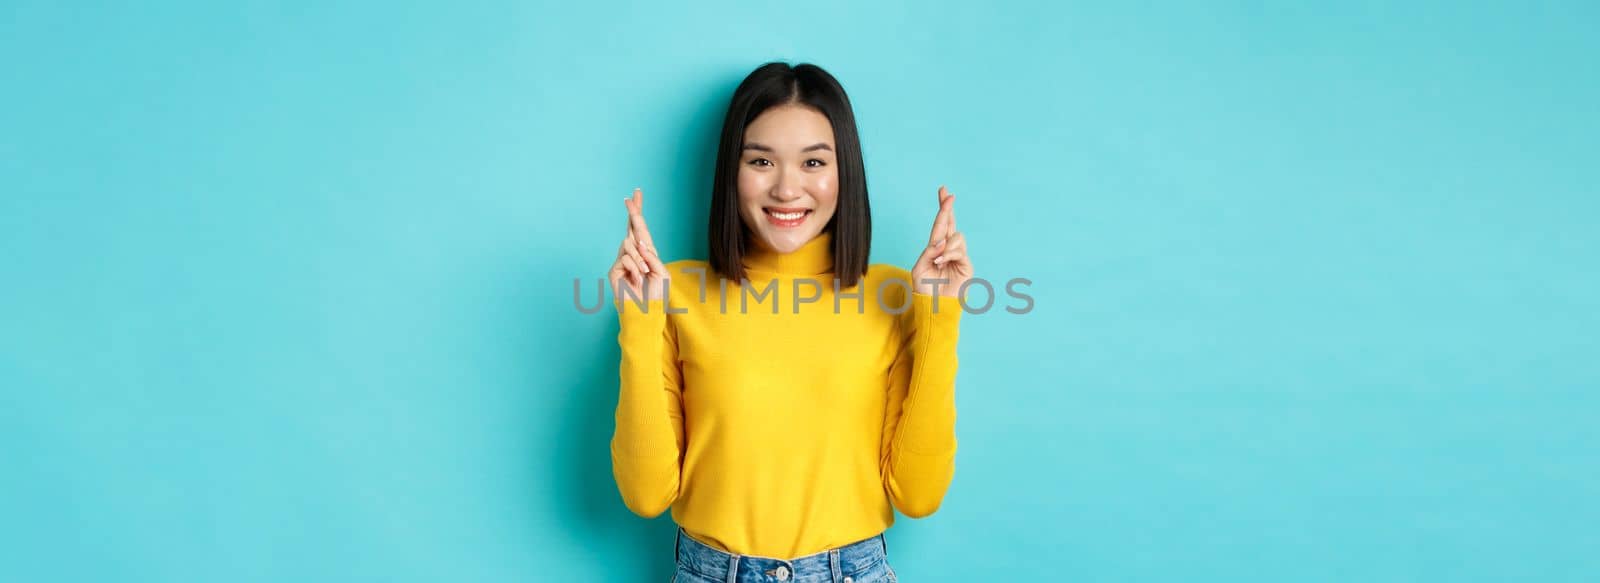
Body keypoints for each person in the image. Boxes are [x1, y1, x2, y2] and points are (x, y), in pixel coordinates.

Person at [607, 61, 972, 583]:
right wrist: (640, 322)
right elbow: (645, 495)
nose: (786, 189)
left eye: (813, 163)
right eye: (761, 160)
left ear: (843, 171)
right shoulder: (673, 292)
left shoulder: (895, 295)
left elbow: (918, 495)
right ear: (732, 172)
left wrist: (939, 313)